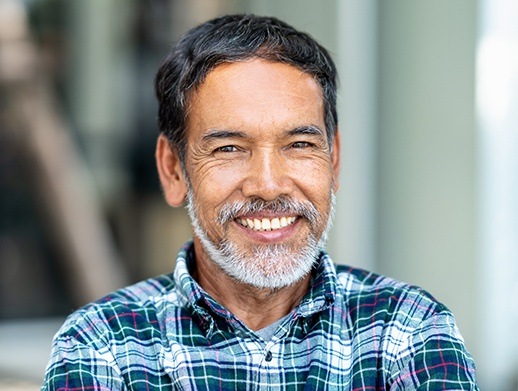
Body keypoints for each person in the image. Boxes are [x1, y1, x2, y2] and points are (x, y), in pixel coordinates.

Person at [42, 14, 479, 390]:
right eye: (229, 149)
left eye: (299, 145)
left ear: (335, 159)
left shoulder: (407, 331)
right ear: (174, 171)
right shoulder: (104, 346)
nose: (268, 186)